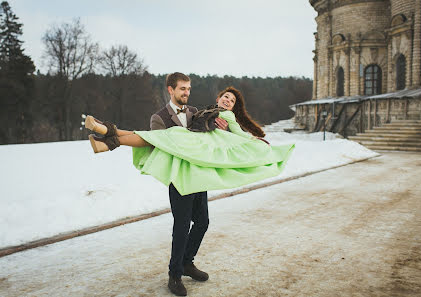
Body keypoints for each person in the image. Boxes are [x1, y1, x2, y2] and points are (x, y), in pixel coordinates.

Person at [85, 73, 294, 296]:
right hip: (180, 179)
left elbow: (220, 136)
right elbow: (154, 143)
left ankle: (187, 263)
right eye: (182, 89)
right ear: (171, 90)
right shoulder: (160, 117)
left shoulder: (196, 112)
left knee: (202, 222)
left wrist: (225, 130)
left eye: (188, 89)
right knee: (182, 226)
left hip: (199, 176)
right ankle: (174, 275)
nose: (186, 93)